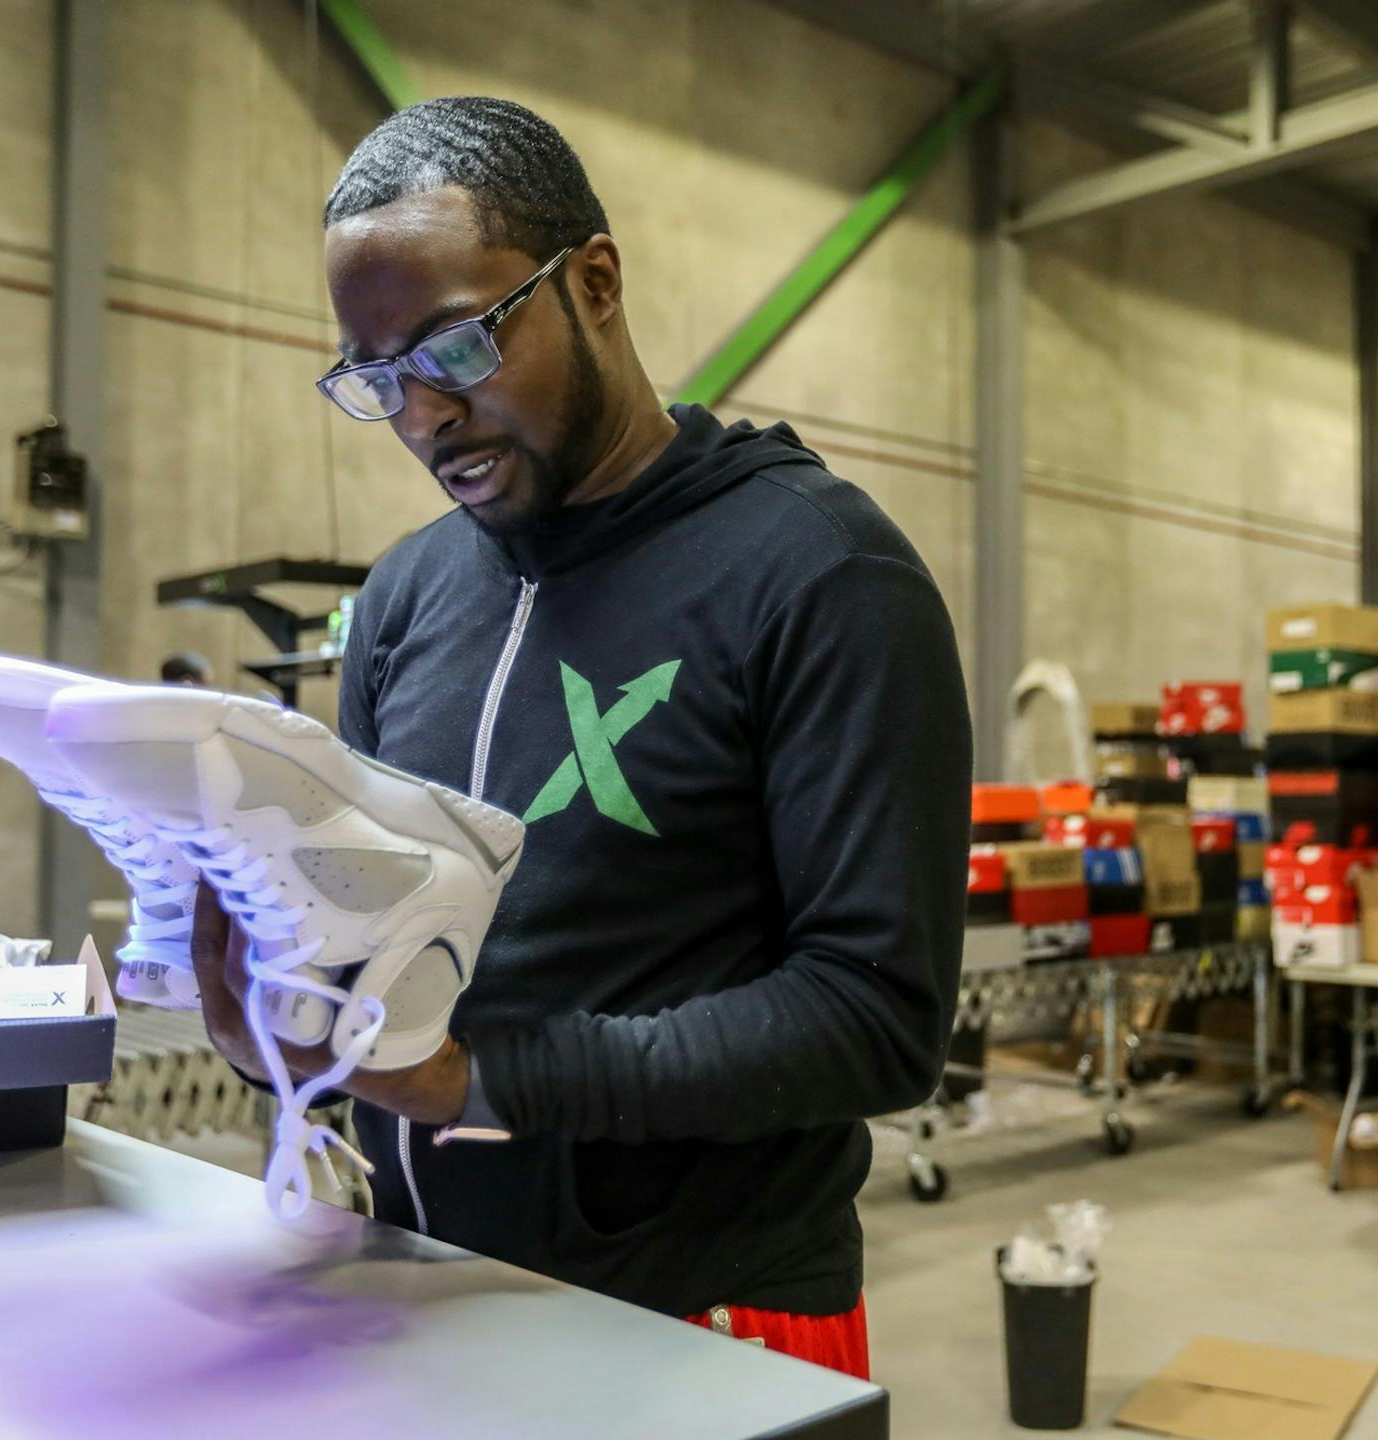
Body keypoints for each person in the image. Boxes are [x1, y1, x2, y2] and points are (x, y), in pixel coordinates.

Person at [185, 96, 970, 1379]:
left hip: (712, 1321)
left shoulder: (819, 575)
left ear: (593, 282)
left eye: (451, 349)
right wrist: (285, 1039)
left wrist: (484, 1081)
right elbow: (379, 947)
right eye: (375, 377)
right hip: (434, 1288)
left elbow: (877, 1017)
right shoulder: (404, 599)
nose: (421, 419)